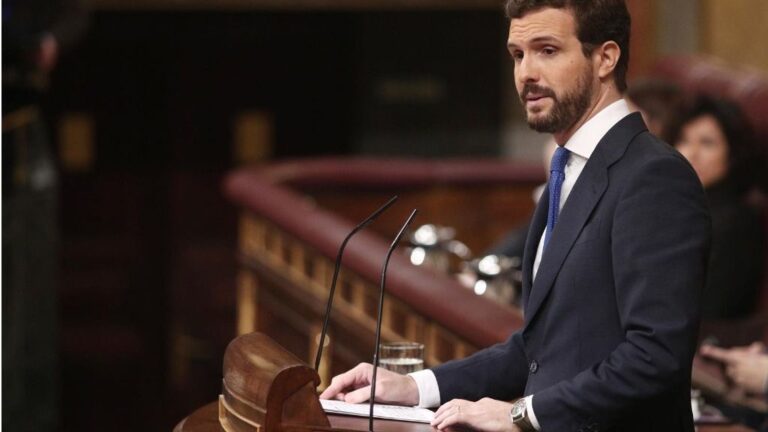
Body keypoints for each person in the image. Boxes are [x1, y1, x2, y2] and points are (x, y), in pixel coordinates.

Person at [320, 1, 711, 431]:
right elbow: (538, 350)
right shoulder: (571, 167)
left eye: (547, 50)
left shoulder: (653, 176)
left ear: (605, 58)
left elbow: (654, 356)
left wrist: (519, 415)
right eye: (517, 55)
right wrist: (414, 388)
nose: (525, 73)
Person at [671, 96, 766, 321]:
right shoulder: (677, 202)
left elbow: (710, 310)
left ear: (732, 153)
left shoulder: (737, 224)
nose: (691, 153)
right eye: (684, 140)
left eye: (707, 143)